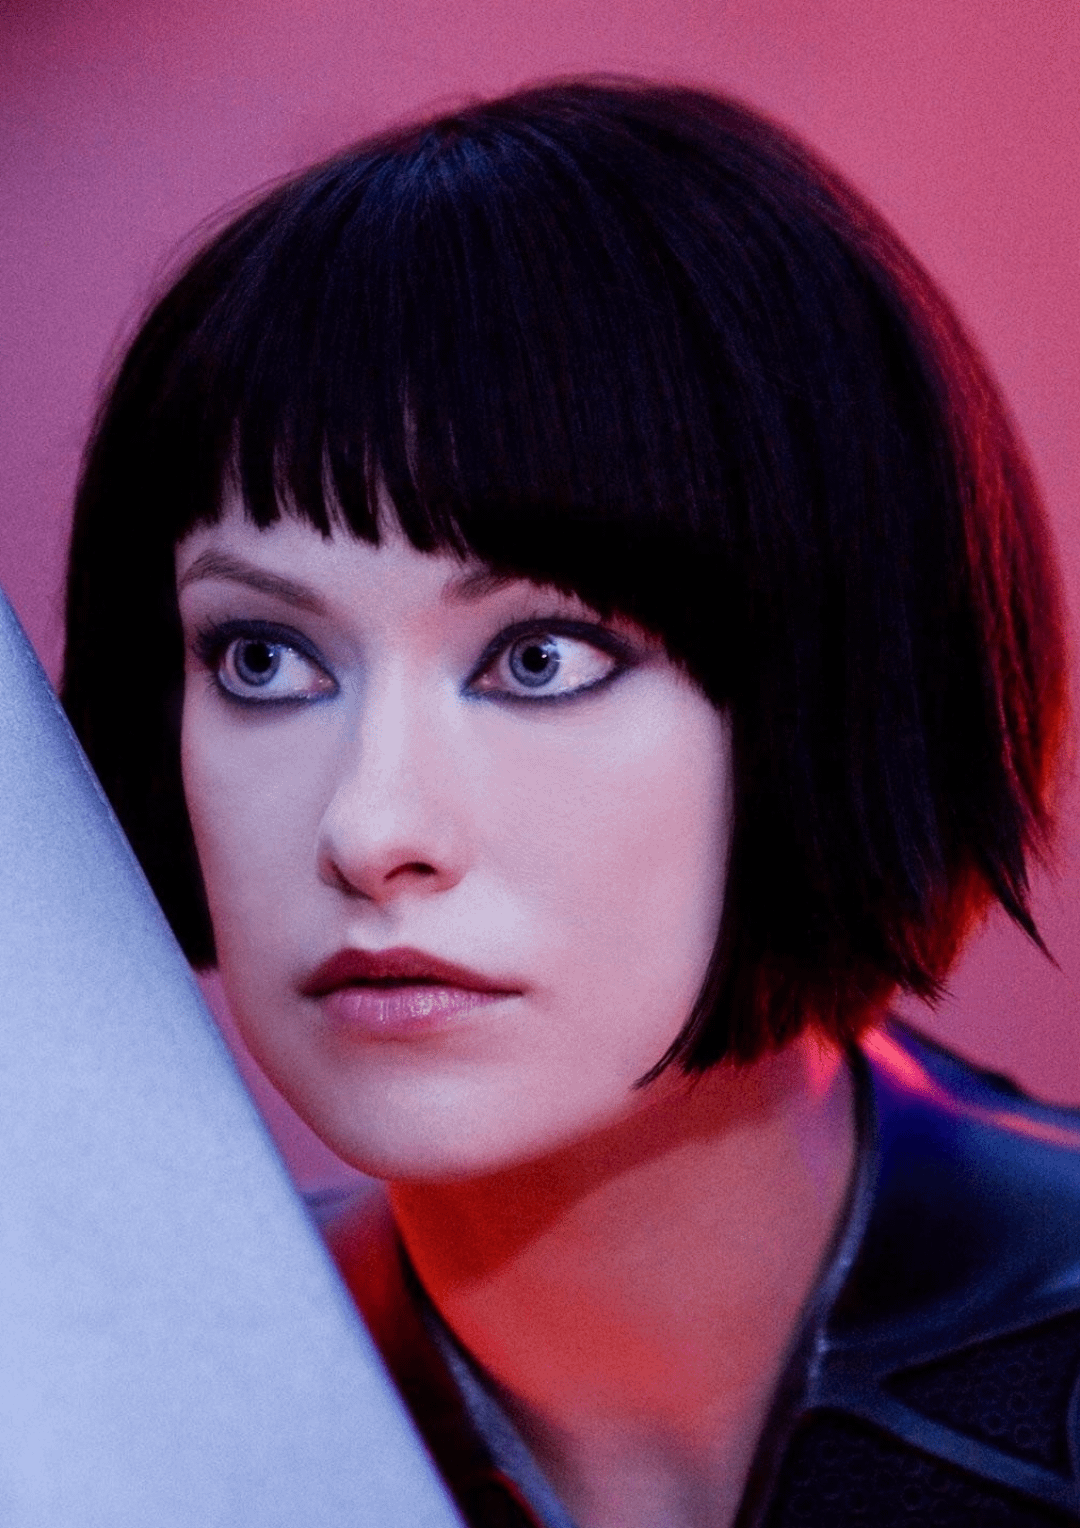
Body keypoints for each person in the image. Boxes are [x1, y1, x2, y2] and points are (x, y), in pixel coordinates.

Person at [60, 78, 1079, 1528]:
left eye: (539, 658)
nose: (370, 830)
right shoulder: (107, 1437)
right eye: (264, 658)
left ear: (848, 674)